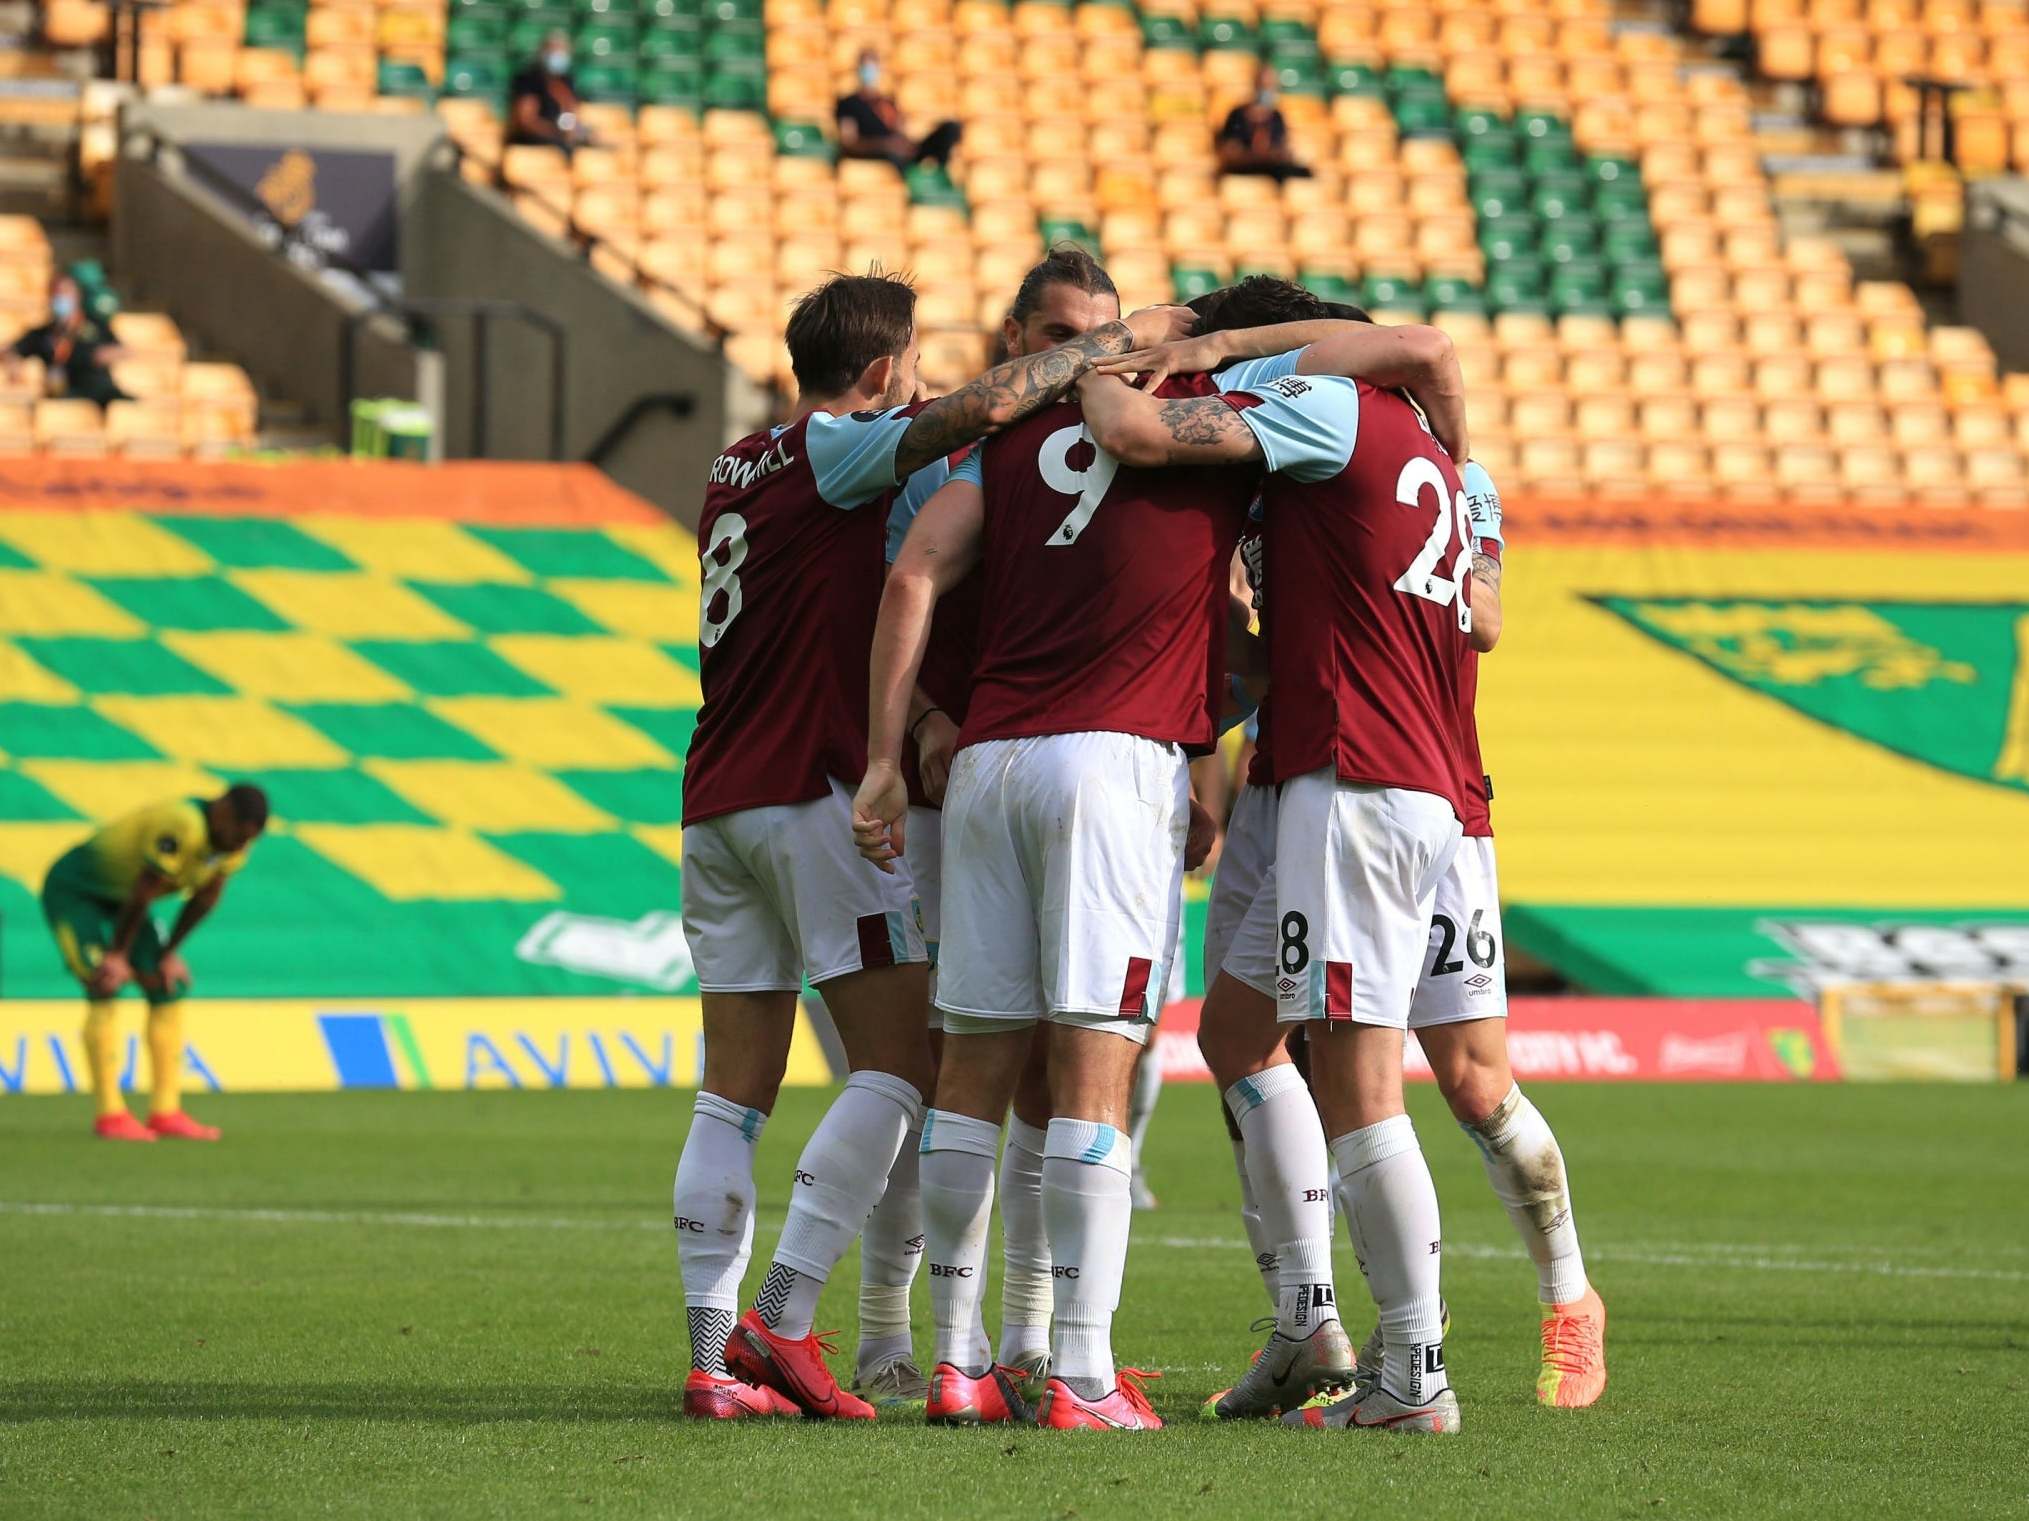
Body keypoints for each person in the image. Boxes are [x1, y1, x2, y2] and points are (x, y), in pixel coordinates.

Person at [673, 269, 1181, 1423]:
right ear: (878, 371)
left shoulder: (732, 463)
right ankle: (783, 1321)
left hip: (715, 799)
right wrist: (1116, 349)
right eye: (907, 363)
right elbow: (976, 414)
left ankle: (713, 1358)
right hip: (815, 787)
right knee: (902, 1069)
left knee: (731, 1096)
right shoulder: (841, 445)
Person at [1076, 296, 1482, 1436]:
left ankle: (1414, 1374)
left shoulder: (1324, 405)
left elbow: (1142, 435)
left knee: (1356, 1081)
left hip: (1360, 778)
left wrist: (1093, 365)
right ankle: (1308, 1323)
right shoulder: (1414, 450)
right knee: (1238, 1034)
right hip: (1332, 766)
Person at [875, 244, 1130, 1422]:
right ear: (1012, 342)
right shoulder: (949, 459)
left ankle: (1017, 1338)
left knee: (1047, 1077)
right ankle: (904, 1334)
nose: (1080, 353)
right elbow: (885, 597)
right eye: (1057, 333)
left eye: (1101, 333)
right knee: (929, 1073)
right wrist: (916, 723)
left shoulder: (1122, 452)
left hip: (1030, 781)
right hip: (947, 798)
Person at [41, 785, 268, 1142]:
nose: (240, 845)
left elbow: (206, 898)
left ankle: (166, 1111)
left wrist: (167, 954)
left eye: (248, 839)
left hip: (123, 900)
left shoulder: (234, 847)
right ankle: (111, 1115)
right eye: (238, 834)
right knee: (105, 980)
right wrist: (117, 955)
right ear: (223, 812)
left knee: (168, 984)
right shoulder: (182, 824)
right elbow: (145, 889)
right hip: (77, 893)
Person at [7, 274, 129, 405]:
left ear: (77, 296)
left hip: (99, 393)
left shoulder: (96, 327)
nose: (60, 298)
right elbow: (11, 349)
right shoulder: (42, 334)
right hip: (65, 394)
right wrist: (13, 362)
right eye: (56, 293)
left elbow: (123, 350)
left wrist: (103, 354)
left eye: (65, 292)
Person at [836, 51, 962, 174]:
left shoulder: (886, 102)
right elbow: (849, 142)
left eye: (872, 67)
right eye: (865, 66)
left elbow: (900, 130)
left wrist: (903, 143)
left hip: (899, 150)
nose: (869, 71)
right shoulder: (848, 104)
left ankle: (939, 176)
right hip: (877, 154)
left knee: (950, 129)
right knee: (895, 158)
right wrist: (884, 145)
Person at [1216, 63, 1312, 182]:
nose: (1266, 89)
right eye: (1262, 85)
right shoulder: (1237, 115)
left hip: (1271, 169)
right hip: (1244, 169)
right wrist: (1254, 156)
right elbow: (1229, 151)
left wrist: (1277, 155)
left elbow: (1283, 148)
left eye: (1269, 85)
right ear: (1255, 84)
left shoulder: (1276, 117)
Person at [508, 31, 591, 153]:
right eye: (554, 49)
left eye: (562, 50)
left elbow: (573, 111)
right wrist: (555, 133)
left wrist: (573, 131)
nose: (558, 54)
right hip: (534, 140)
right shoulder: (528, 78)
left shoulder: (566, 79)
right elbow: (527, 120)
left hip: (560, 136)